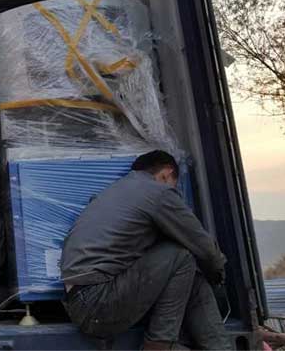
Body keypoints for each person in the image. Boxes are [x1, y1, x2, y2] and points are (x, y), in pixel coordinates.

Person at [60, 150, 230, 350]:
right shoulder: (157, 192)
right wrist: (218, 277)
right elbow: (203, 246)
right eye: (175, 185)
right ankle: (159, 345)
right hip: (97, 302)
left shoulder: (113, 194)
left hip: (83, 302)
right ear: (167, 174)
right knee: (182, 255)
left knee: (191, 274)